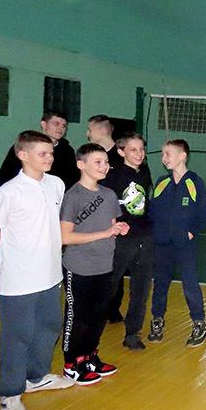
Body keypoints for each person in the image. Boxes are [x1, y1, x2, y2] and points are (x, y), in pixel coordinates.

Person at [0, 131, 75, 410]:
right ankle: (10, 393)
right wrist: (19, 255)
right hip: (19, 280)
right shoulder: (8, 193)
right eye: (42, 154)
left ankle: (36, 377)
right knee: (17, 335)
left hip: (50, 275)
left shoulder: (56, 184)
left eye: (51, 153)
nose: (49, 158)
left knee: (48, 328)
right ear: (23, 155)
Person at [60, 143, 129, 385]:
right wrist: (105, 233)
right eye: (98, 162)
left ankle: (89, 357)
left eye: (106, 162)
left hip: (104, 266)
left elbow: (111, 227)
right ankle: (72, 364)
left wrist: (118, 228)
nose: (104, 166)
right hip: (79, 267)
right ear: (81, 164)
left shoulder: (109, 195)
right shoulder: (73, 196)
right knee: (77, 317)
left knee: (98, 316)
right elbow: (65, 237)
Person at [148, 139, 206, 347]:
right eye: (162, 154)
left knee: (189, 283)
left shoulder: (195, 182)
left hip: (184, 245)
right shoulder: (161, 182)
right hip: (162, 244)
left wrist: (190, 233)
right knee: (160, 283)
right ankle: (157, 319)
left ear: (182, 156)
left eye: (168, 153)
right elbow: (152, 210)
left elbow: (203, 213)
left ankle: (199, 322)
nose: (163, 158)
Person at [102, 132, 154, 350]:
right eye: (133, 150)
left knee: (140, 289)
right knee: (108, 287)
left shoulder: (145, 173)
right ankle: (90, 331)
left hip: (145, 239)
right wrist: (111, 228)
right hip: (121, 241)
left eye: (141, 149)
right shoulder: (112, 176)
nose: (139, 154)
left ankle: (133, 334)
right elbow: (104, 205)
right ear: (121, 151)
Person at [86, 114, 125, 322]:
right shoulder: (90, 157)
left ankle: (112, 308)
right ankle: (95, 306)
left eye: (90, 129)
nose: (87, 133)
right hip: (95, 221)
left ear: (102, 130)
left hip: (117, 221)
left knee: (115, 266)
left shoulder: (122, 157)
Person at [0, 110, 78, 190]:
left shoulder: (67, 150)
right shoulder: (26, 146)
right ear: (44, 124)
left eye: (64, 126)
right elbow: (6, 176)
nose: (60, 128)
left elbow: (73, 178)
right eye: (56, 124)